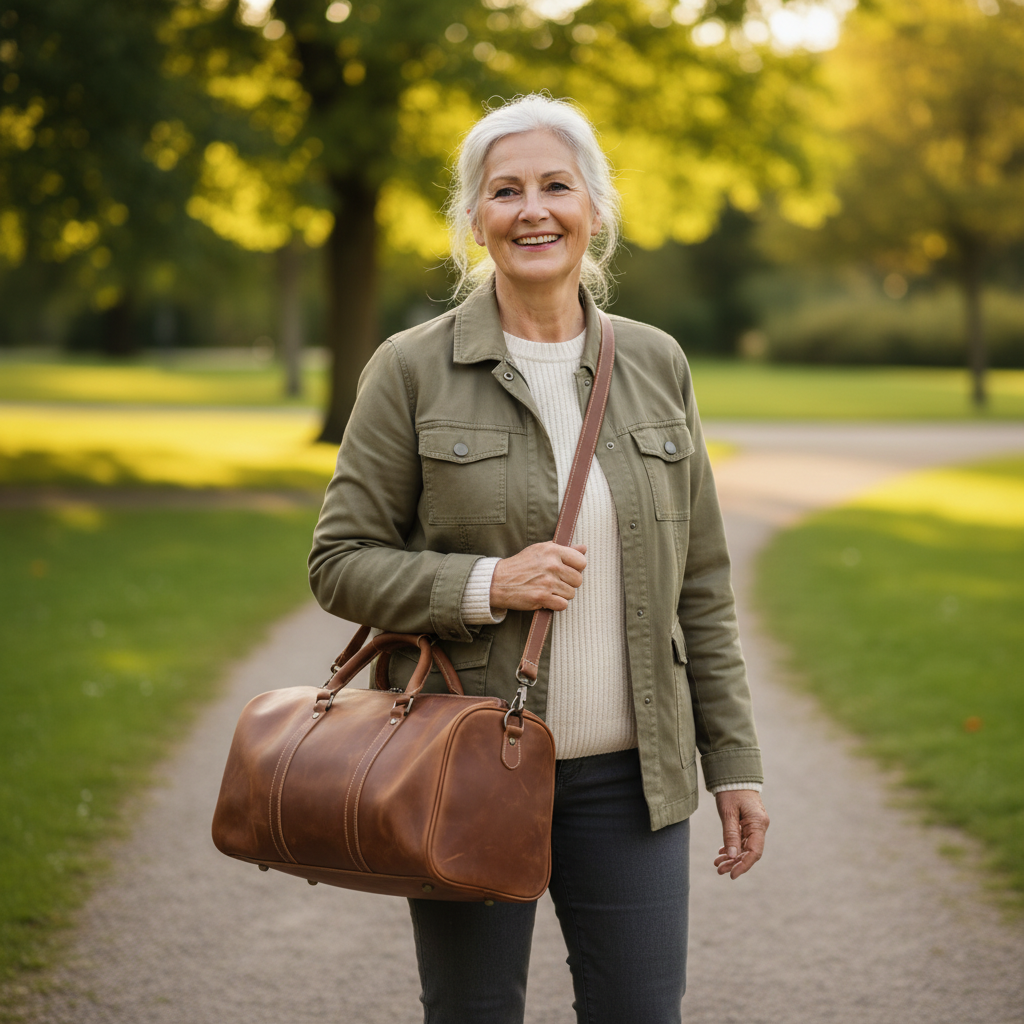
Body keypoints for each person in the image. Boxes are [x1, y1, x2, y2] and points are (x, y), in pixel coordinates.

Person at [308, 93, 769, 1024]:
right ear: (474, 220)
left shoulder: (656, 362)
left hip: (633, 781)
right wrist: (485, 583)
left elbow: (704, 587)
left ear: (593, 208)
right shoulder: (408, 368)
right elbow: (339, 561)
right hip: (468, 768)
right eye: (505, 190)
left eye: (556, 186)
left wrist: (736, 764)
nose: (533, 210)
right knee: (473, 1012)